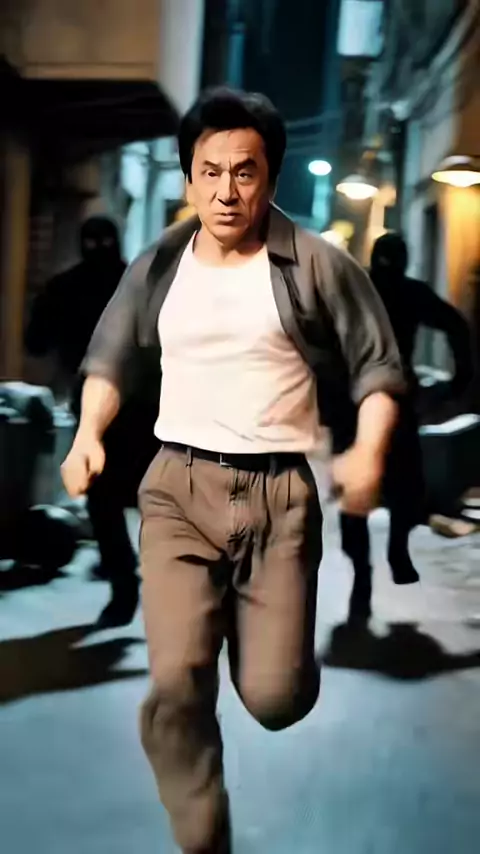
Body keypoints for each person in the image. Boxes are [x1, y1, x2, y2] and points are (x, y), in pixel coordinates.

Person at [61, 88, 406, 854]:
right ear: (188, 176)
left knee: (275, 698)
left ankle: (261, 650)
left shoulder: (316, 263)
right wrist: (88, 434)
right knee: (178, 682)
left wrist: (369, 451)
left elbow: (377, 367)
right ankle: (204, 837)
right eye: (210, 171)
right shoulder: (158, 265)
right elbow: (110, 357)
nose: (226, 191)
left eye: (244, 172)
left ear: (270, 177)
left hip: (280, 495)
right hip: (178, 490)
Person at [26, 216, 157, 628]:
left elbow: (35, 342)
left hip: (104, 409)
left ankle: (126, 584)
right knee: (141, 497)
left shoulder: (69, 287)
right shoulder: (140, 285)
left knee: (105, 500)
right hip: (142, 408)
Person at [340, 232, 474, 621]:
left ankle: (365, 568)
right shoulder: (408, 292)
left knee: (362, 488)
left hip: (358, 400)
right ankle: (394, 553)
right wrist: (461, 377)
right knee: (403, 486)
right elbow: (456, 326)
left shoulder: (354, 291)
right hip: (392, 399)